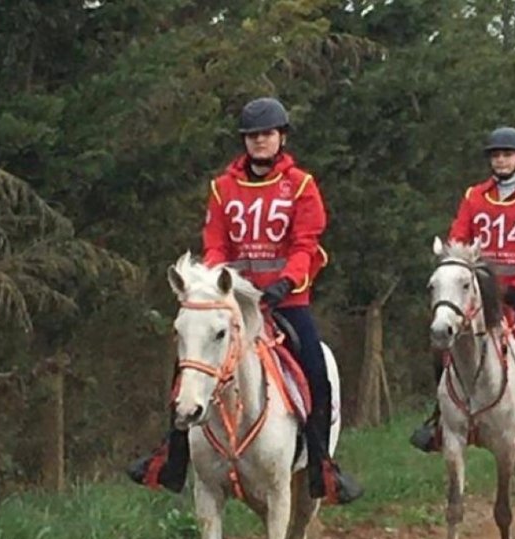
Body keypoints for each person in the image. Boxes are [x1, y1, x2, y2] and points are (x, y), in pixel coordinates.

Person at [127, 97, 363, 504]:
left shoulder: (302, 186)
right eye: (252, 136)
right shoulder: (223, 188)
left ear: (281, 137)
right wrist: (219, 284)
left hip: (286, 301)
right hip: (232, 300)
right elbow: (215, 244)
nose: (259, 142)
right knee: (189, 364)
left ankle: (322, 466)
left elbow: (306, 245)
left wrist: (285, 284)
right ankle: (172, 458)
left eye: (267, 135)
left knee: (316, 372)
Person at [410, 126, 515, 460]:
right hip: (477, 291)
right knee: (441, 346)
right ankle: (440, 417)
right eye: (495, 156)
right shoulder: (474, 197)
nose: (500, 161)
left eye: (506, 155)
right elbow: (459, 238)